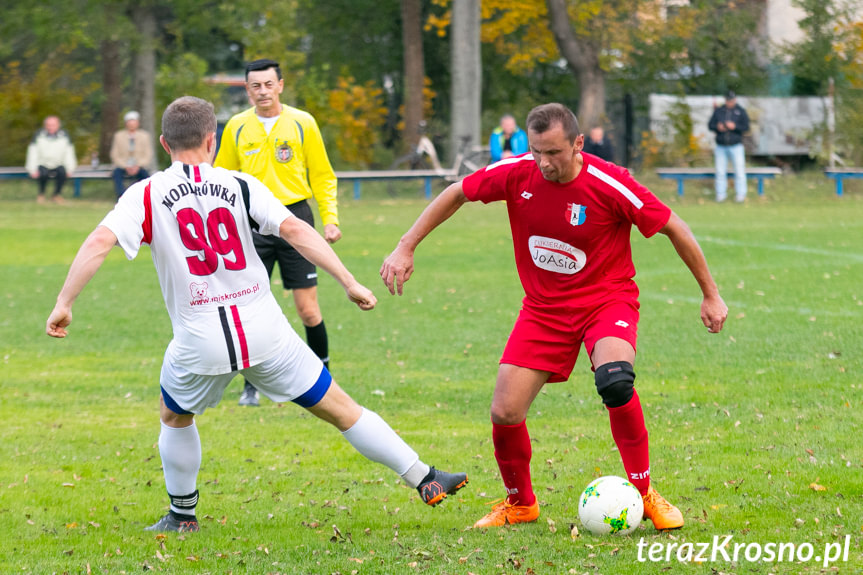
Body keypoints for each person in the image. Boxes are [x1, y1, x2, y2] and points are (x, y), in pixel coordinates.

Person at [45, 96, 468, 533]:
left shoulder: (146, 194)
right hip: (266, 332)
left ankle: (182, 515)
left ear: (164, 144)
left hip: (200, 339)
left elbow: (99, 242)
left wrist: (64, 303)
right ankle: (425, 477)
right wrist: (348, 281)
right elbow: (296, 229)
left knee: (174, 416)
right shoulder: (240, 184)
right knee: (342, 409)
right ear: (213, 139)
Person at [381, 103, 728, 530]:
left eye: (554, 153)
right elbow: (456, 192)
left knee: (615, 380)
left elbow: (676, 227)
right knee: (505, 412)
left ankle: (645, 492)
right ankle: (520, 504)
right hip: (543, 311)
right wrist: (405, 245)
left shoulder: (611, 183)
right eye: (537, 151)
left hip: (607, 301)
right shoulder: (517, 171)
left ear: (578, 144)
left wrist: (710, 295)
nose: (544, 162)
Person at [215, 59, 338, 407]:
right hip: (250, 223)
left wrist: (330, 219)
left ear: (280, 85)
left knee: (308, 310)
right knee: (248, 306)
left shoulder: (303, 123)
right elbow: (221, 179)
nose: (263, 91)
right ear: (247, 89)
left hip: (295, 217)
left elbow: (323, 175)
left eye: (269, 84)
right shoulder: (238, 127)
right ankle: (251, 385)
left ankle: (324, 379)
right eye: (255, 86)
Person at [708, 91, 750, 203]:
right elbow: (710, 125)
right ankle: (721, 194)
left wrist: (734, 127)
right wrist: (718, 127)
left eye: (731, 100)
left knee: (739, 171)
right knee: (720, 171)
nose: (729, 102)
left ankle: (741, 195)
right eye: (727, 100)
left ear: (735, 100)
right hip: (721, 146)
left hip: (736, 146)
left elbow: (746, 127)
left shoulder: (740, 111)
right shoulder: (719, 111)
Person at [25, 115, 77, 204]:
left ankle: (57, 195)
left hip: (58, 164)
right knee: (43, 173)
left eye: (53, 125)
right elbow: (32, 153)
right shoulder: (38, 136)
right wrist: (32, 169)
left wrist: (70, 168)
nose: (51, 127)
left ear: (58, 125)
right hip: (42, 163)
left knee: (62, 173)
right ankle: (41, 194)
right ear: (45, 125)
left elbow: (69, 154)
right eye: (48, 125)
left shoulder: (64, 136)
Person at [110, 110, 153, 198]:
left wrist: (138, 165)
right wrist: (125, 166)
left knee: (145, 176)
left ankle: (145, 196)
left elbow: (148, 154)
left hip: (139, 166)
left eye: (134, 121)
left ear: (138, 123)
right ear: (126, 123)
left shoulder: (144, 136)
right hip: (123, 166)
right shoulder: (119, 136)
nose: (132, 124)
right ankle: (121, 196)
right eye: (129, 121)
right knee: (116, 173)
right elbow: (114, 154)